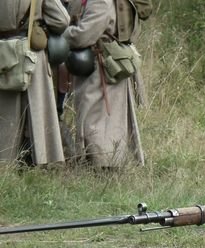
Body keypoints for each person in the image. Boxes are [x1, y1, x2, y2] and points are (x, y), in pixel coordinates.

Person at [62, 0, 148, 169]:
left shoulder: (100, 1)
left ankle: (102, 165)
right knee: (104, 117)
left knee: (94, 118)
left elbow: (84, 35)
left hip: (102, 66)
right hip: (103, 64)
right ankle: (105, 163)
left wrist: (60, 33)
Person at [0, 0, 70, 167]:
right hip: (31, 52)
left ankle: (4, 162)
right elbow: (61, 19)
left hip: (2, 53)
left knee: (5, 112)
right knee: (37, 110)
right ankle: (40, 160)